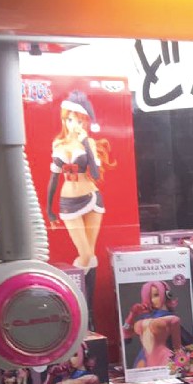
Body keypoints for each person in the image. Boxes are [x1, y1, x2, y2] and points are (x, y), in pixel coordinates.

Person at [47, 91, 115, 270]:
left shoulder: (89, 143)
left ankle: (86, 288)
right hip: (68, 202)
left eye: (80, 121)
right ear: (64, 120)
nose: (74, 125)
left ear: (85, 123)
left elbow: (96, 174)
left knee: (90, 254)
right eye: (70, 120)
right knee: (85, 254)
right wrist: (49, 210)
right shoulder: (57, 144)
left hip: (92, 198)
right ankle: (76, 285)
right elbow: (54, 177)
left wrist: (84, 142)